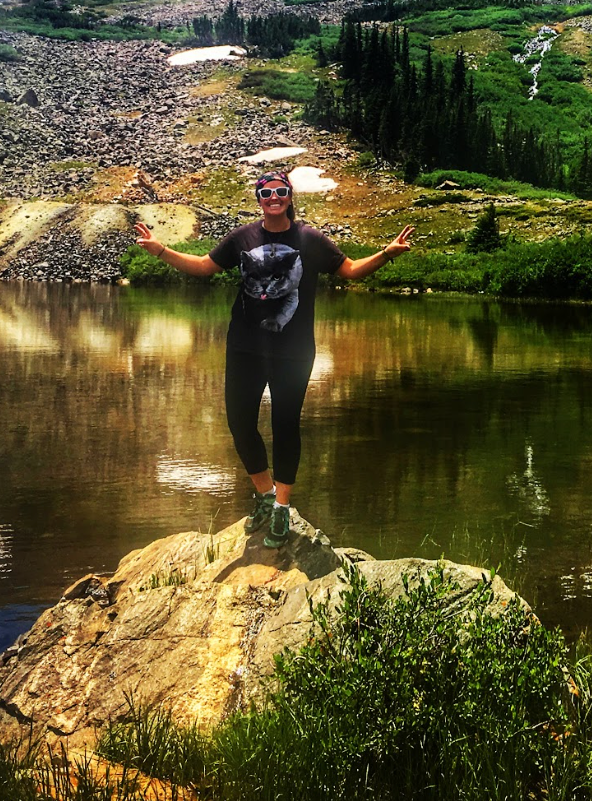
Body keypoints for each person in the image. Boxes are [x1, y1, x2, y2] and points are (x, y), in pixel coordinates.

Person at [134, 169, 413, 545]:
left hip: (293, 353)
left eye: (281, 191)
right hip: (245, 347)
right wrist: (161, 250)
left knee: (285, 424)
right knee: (239, 421)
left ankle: (282, 509)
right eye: (267, 193)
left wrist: (386, 254)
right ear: (259, 198)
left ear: (290, 196)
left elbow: (348, 271)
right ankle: (264, 494)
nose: (274, 198)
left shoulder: (309, 239)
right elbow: (204, 267)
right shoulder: (243, 237)